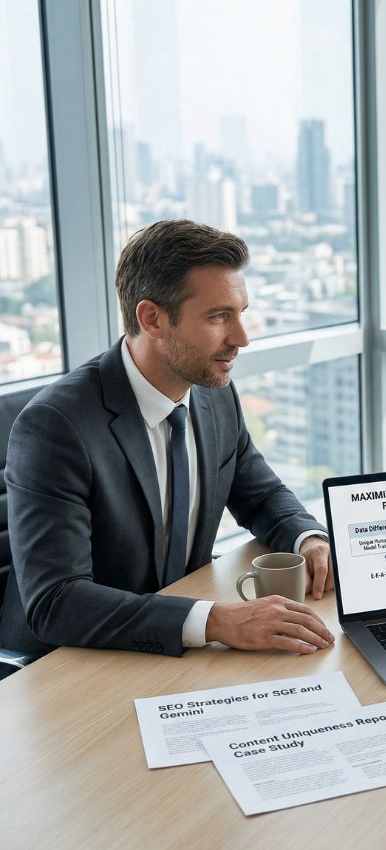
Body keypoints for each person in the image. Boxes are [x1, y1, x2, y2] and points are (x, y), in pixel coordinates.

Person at [0, 219, 335, 662]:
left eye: (241, 313)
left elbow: (260, 493)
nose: (242, 338)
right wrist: (219, 620)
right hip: (71, 661)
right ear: (152, 318)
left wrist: (308, 538)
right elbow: (57, 600)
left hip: (175, 647)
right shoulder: (55, 427)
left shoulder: (212, 395)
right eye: (219, 317)